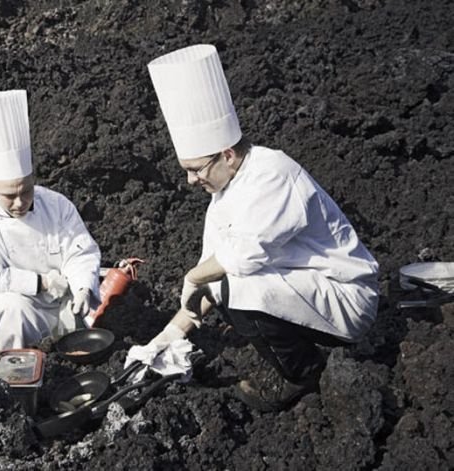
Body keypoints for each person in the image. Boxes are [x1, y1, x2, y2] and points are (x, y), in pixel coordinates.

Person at [137, 44, 379, 411]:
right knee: (225, 284)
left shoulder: (274, 174)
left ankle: (303, 374)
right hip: (308, 293)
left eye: (195, 169)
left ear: (228, 154)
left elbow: (242, 257)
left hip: (346, 299)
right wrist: (165, 338)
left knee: (239, 287)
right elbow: (208, 281)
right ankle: (298, 359)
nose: (189, 180)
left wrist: (195, 276)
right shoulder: (223, 195)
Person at [0, 89, 101, 357]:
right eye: (9, 196)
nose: (20, 202)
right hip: (14, 305)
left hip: (59, 303)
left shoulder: (57, 205)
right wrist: (42, 282)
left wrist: (81, 286)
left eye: (26, 191)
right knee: (10, 308)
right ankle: (9, 380)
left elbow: (80, 252)